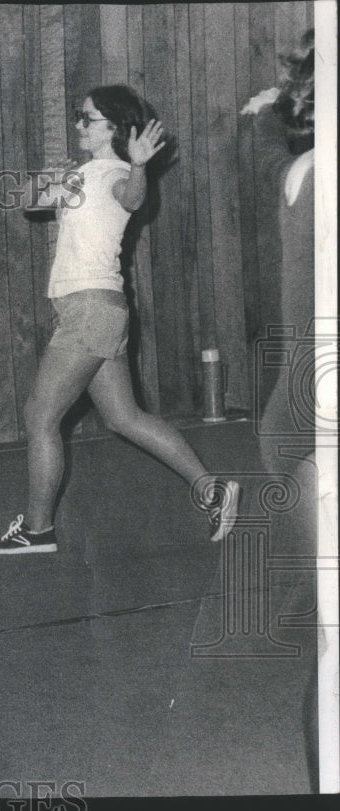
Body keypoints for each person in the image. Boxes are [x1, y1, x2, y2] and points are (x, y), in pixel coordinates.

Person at [0, 85, 240, 555]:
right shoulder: (84, 174)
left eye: (88, 119)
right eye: (79, 117)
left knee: (40, 417)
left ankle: (38, 531)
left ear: (115, 129)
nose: (78, 125)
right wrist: (47, 176)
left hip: (91, 310)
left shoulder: (119, 173)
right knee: (124, 417)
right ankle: (212, 488)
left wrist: (139, 163)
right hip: (95, 310)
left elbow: (134, 198)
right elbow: (27, 203)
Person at [242, 30, 315, 538]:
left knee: (280, 441)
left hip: (315, 372)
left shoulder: (307, 173)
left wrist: (267, 113)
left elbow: (270, 162)